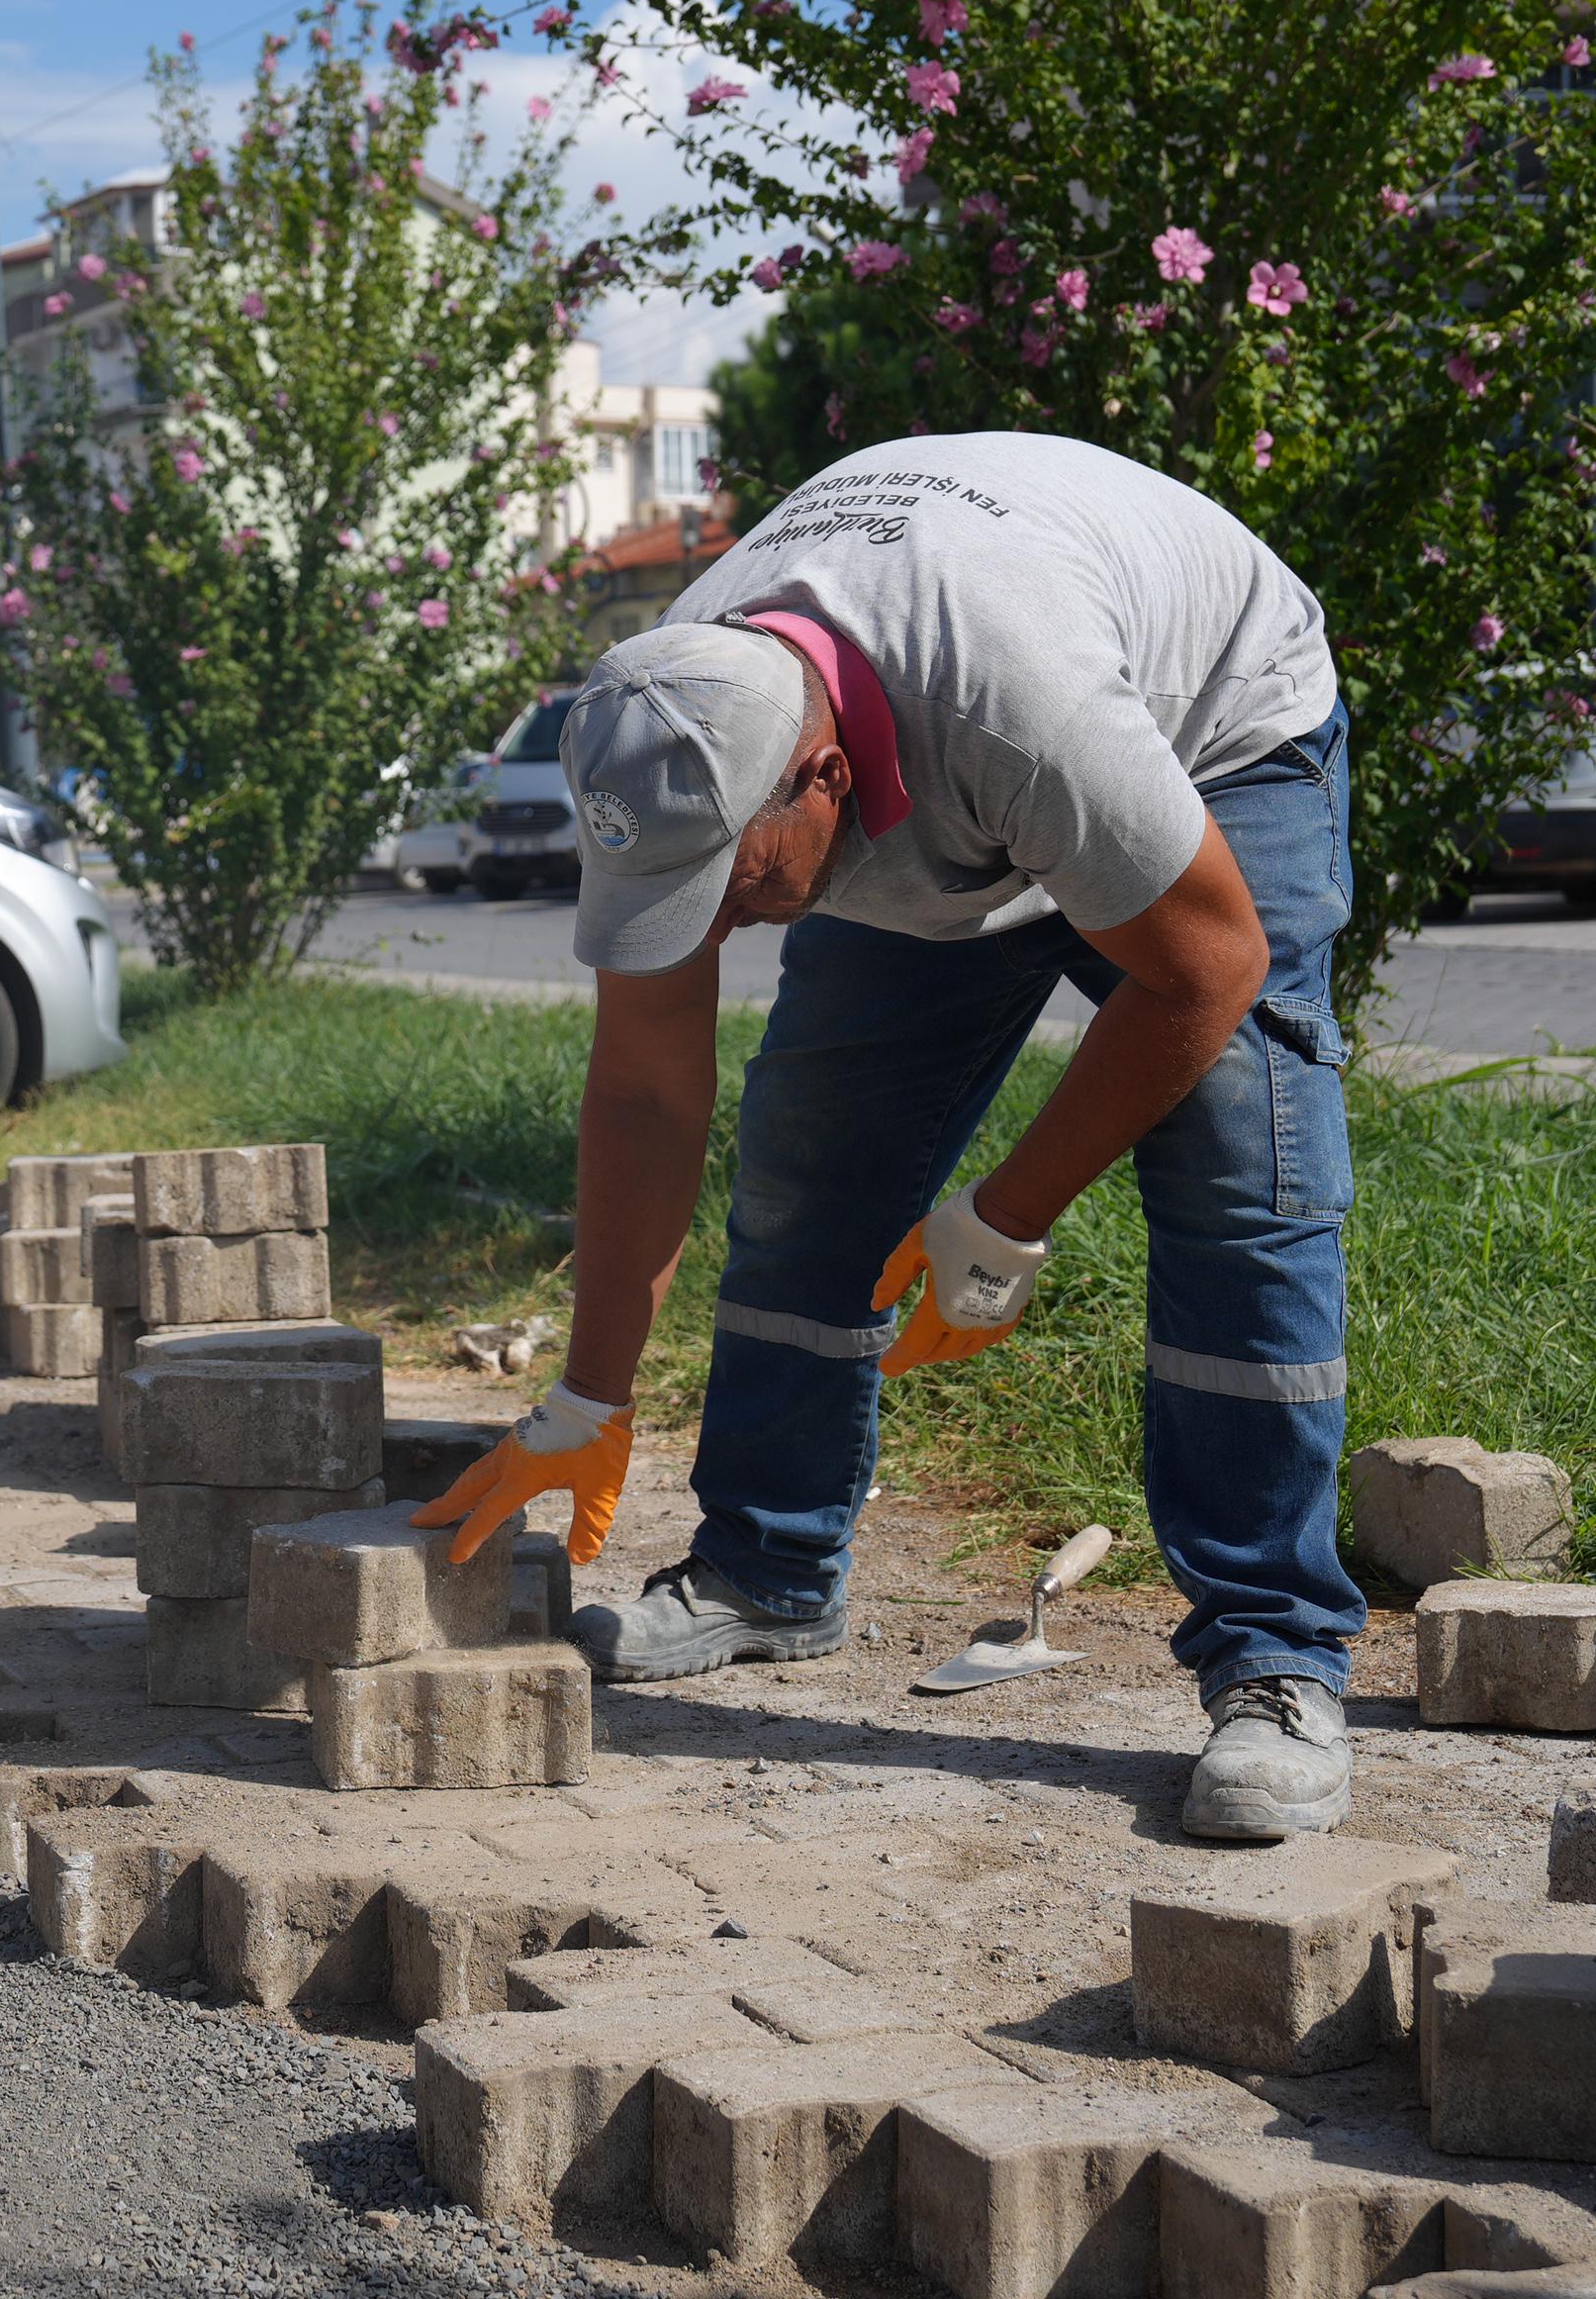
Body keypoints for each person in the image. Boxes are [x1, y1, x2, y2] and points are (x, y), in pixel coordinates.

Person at [413, 431, 1366, 1842]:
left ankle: (1276, 1655)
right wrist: (587, 1397)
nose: (713, 929)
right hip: (940, 778)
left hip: (1211, 735)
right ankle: (768, 1568)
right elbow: (646, 1091)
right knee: (812, 1160)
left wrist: (1013, 1211)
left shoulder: (1018, 703)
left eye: (731, 892)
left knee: (1242, 1165)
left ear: (820, 780)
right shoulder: (677, 727)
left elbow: (1207, 971)